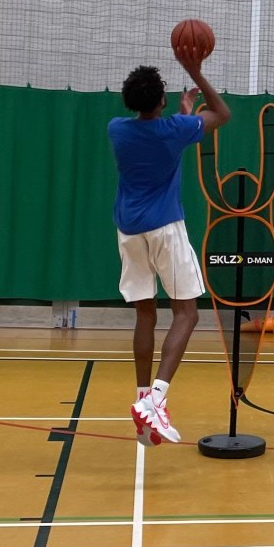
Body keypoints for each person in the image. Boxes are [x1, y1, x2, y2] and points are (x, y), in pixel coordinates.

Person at [108, 45, 230, 446]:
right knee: (187, 314)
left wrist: (182, 113)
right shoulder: (175, 130)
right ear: (161, 100)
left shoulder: (117, 129)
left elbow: (161, 125)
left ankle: (143, 400)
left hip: (128, 230)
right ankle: (157, 399)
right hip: (164, 228)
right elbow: (222, 114)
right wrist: (194, 73)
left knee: (146, 314)